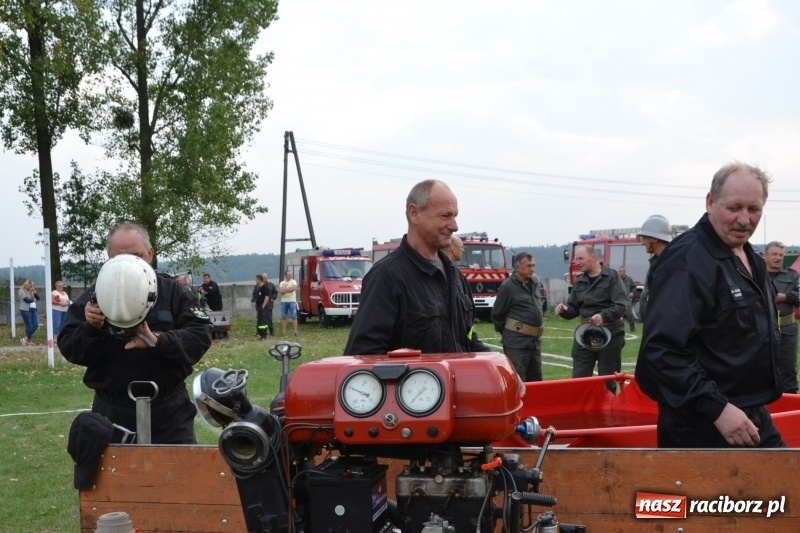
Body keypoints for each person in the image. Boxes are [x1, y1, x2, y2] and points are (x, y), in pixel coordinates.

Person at [635, 162, 784, 448]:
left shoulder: (748, 256)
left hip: (751, 415)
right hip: (702, 424)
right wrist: (717, 408)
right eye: (734, 207)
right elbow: (661, 352)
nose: (744, 220)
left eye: (754, 210)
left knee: (785, 490)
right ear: (710, 202)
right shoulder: (687, 262)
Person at [58, 223, 213, 444]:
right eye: (118, 258)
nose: (127, 263)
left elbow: (200, 336)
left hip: (169, 414)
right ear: (108, 257)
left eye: (136, 255)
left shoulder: (172, 292)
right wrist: (91, 328)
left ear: (150, 254)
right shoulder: (95, 296)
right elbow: (69, 346)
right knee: (114, 479)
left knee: (176, 477)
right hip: (112, 414)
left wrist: (159, 341)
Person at [344, 179, 488, 355]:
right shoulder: (387, 277)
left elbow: (466, 336)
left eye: (455, 216)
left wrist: (495, 363)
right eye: (445, 216)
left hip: (457, 382)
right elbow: (363, 356)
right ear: (414, 213)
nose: (454, 226)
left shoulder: (455, 277)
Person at [554, 245, 627, 392]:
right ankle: (580, 411)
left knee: (607, 381)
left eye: (580, 258)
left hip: (610, 334)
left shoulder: (612, 276)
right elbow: (574, 308)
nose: (577, 262)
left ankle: (606, 412)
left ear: (594, 258)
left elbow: (621, 305)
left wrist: (603, 316)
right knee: (579, 379)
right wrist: (564, 310)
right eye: (576, 259)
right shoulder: (579, 281)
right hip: (585, 335)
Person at [491, 252, 544, 381]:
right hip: (516, 343)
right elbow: (497, 314)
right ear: (517, 267)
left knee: (536, 380)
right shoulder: (508, 287)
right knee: (518, 380)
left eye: (533, 265)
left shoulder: (536, 281)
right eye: (528, 266)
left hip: (534, 342)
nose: (532, 269)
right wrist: (510, 331)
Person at [765, 241, 799, 394]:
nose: (778, 258)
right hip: (762, 330)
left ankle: (791, 409)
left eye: (781, 255)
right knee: (762, 369)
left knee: (788, 370)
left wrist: (786, 297)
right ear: (765, 256)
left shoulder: (793, 275)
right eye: (774, 254)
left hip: (787, 330)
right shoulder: (755, 275)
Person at [636, 214, 672, 323]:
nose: (642, 242)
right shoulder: (658, 262)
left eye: (645, 237)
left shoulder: (671, 264)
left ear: (655, 238)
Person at [254, 274, 277, 340]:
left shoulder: (265, 288)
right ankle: (260, 334)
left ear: (259, 279)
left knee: (263, 321)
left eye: (256, 279)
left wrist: (263, 306)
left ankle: (264, 335)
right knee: (260, 321)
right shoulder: (259, 288)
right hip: (259, 307)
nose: (255, 280)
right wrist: (255, 303)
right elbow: (258, 297)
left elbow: (267, 297)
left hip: (263, 308)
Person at [17, 279, 40, 346]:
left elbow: (38, 298)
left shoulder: (31, 291)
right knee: (29, 325)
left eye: (31, 286)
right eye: (28, 286)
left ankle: (25, 338)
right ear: (25, 285)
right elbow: (27, 300)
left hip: (33, 309)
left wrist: (35, 292)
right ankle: (28, 340)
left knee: (35, 324)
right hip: (25, 309)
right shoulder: (21, 291)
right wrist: (34, 299)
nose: (30, 287)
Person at [279, 270, 299, 336]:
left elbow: (293, 288)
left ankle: (295, 331)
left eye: (291, 274)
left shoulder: (293, 281)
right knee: (284, 316)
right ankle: (283, 331)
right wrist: (288, 290)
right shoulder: (282, 282)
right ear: (286, 275)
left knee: (294, 316)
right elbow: (280, 291)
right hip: (284, 301)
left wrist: (285, 290)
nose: (291, 275)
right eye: (289, 274)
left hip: (292, 301)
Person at [617, 266, 637, 332]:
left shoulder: (629, 279)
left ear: (624, 272)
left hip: (627, 300)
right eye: (619, 271)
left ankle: (632, 328)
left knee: (629, 314)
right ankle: (619, 329)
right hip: (619, 300)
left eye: (620, 271)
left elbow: (634, 287)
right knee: (618, 315)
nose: (619, 272)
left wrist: (632, 292)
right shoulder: (617, 279)